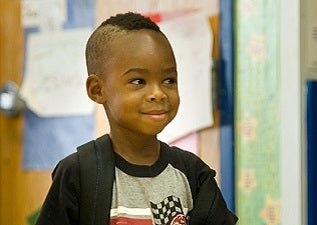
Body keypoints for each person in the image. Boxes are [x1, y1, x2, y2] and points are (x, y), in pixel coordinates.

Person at [35, 12, 238, 225]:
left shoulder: (193, 173)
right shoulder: (79, 173)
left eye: (169, 80)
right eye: (138, 81)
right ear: (97, 90)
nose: (158, 93)